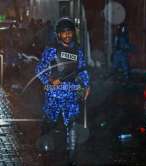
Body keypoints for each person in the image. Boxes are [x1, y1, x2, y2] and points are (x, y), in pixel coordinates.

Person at [35, 17, 90, 162]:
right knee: (49, 122)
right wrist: (49, 80)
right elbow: (40, 68)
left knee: (72, 123)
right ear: (58, 34)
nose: (67, 35)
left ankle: (70, 154)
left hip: (71, 93)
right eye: (64, 33)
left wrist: (86, 85)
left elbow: (82, 70)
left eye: (70, 32)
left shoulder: (78, 51)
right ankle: (43, 149)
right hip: (53, 93)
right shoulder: (51, 50)